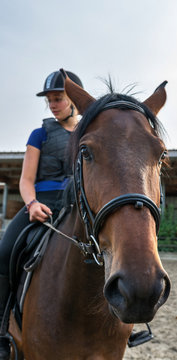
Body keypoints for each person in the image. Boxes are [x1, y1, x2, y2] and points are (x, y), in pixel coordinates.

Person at [0, 70, 83, 360]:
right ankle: (1, 331)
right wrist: (32, 204)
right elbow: (25, 180)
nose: (53, 105)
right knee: (4, 250)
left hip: (77, 204)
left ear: (74, 98)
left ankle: (122, 324)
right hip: (42, 203)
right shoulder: (40, 134)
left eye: (58, 99)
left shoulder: (89, 133)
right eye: (49, 100)